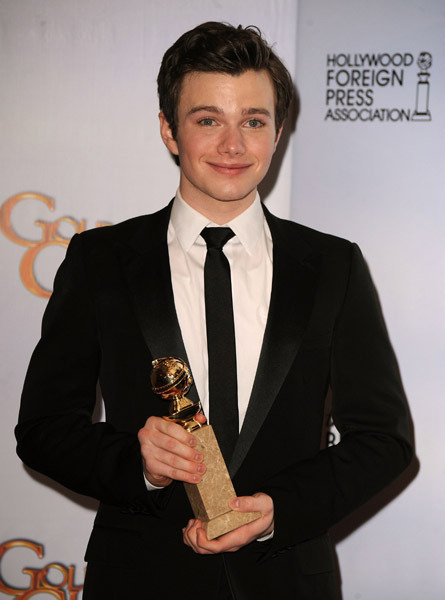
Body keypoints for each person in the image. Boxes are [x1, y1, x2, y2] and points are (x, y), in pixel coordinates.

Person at [16, 21, 412, 600]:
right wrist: (138, 463)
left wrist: (278, 509)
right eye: (208, 121)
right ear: (169, 131)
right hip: (139, 581)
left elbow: (383, 439)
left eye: (253, 121)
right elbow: (43, 429)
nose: (234, 146)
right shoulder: (101, 260)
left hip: (288, 581)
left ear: (278, 134)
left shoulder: (333, 266)